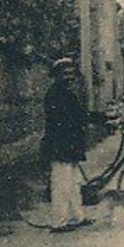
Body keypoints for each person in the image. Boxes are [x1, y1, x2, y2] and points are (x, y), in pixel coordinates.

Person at [40, 58, 92, 232]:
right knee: (62, 185)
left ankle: (78, 217)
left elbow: (79, 115)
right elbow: (73, 118)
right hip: (60, 146)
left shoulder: (67, 94)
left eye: (71, 74)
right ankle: (59, 222)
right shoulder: (54, 95)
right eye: (65, 74)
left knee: (74, 183)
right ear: (57, 76)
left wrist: (104, 118)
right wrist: (101, 119)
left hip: (69, 146)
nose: (69, 77)